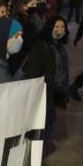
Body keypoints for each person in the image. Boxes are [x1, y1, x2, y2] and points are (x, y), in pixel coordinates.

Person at [21, 16, 71, 154]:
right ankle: (34, 156)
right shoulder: (41, 45)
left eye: (62, 27)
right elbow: (33, 71)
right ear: (49, 28)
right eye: (56, 27)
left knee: (48, 123)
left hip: (53, 92)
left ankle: (38, 154)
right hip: (42, 92)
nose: (60, 30)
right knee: (41, 125)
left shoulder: (59, 46)